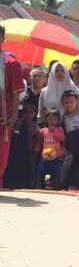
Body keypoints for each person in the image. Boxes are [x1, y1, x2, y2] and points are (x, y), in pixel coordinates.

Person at [0, 24, 24, 189]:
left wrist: (14, 115)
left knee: (2, 154)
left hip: (3, 114)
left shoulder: (11, 63)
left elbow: (16, 93)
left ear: (3, 39)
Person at [59, 90, 79, 190]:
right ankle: (65, 183)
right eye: (66, 103)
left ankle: (76, 184)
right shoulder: (63, 117)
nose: (69, 105)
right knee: (68, 163)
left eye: (71, 102)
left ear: (77, 102)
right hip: (69, 144)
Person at [37, 109, 65, 189]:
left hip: (56, 155)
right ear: (46, 120)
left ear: (58, 121)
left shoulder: (59, 129)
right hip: (45, 155)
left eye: (55, 120)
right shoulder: (44, 130)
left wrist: (55, 132)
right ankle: (41, 185)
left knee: (56, 171)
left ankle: (56, 186)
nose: (52, 121)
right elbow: (39, 137)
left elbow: (63, 138)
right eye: (50, 119)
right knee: (41, 170)